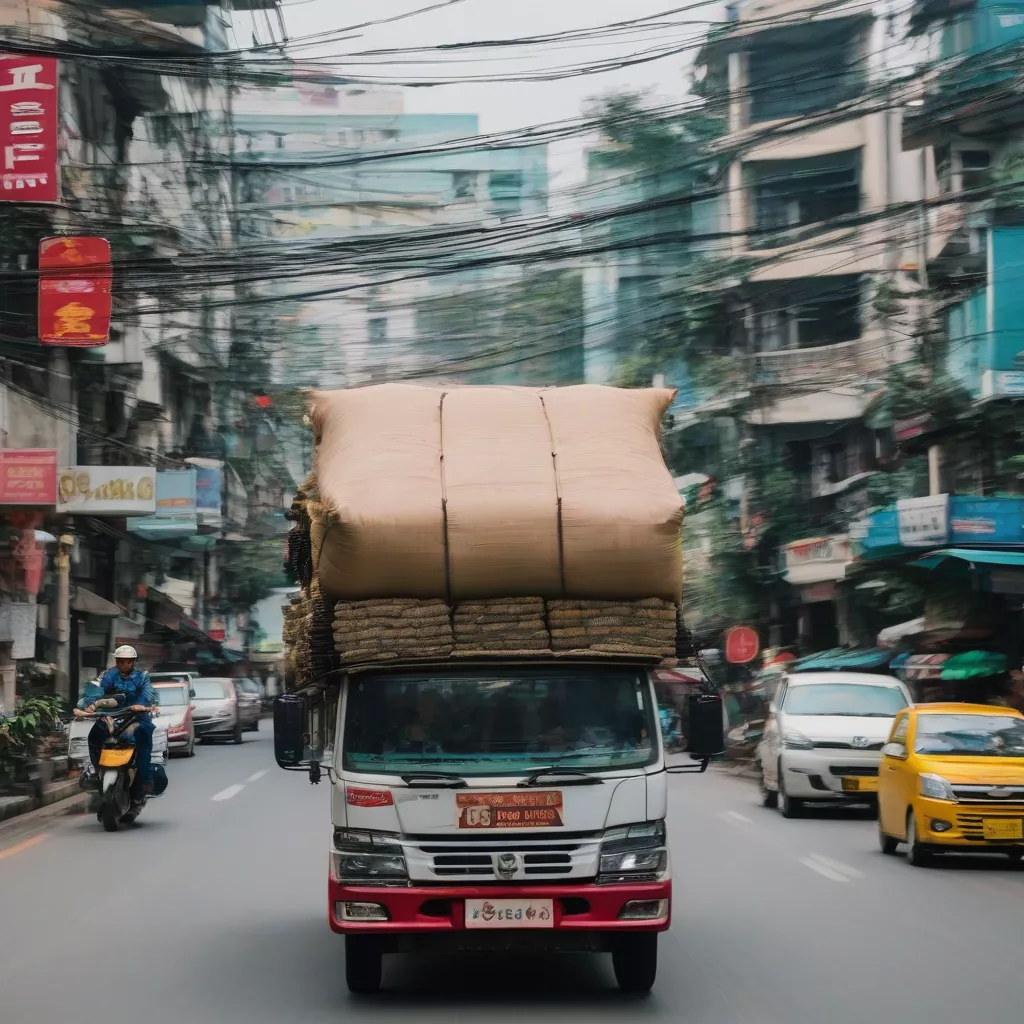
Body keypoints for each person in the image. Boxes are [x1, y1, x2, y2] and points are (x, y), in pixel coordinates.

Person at [75, 645, 156, 801]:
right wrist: (89, 704)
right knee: (94, 735)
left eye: (128, 662)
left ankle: (144, 781)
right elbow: (96, 692)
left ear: (133, 662)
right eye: (121, 662)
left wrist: (140, 705)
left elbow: (147, 695)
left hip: (136, 717)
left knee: (143, 739)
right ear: (117, 662)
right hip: (112, 716)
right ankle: (96, 770)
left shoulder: (142, 677)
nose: (125, 665)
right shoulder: (109, 675)